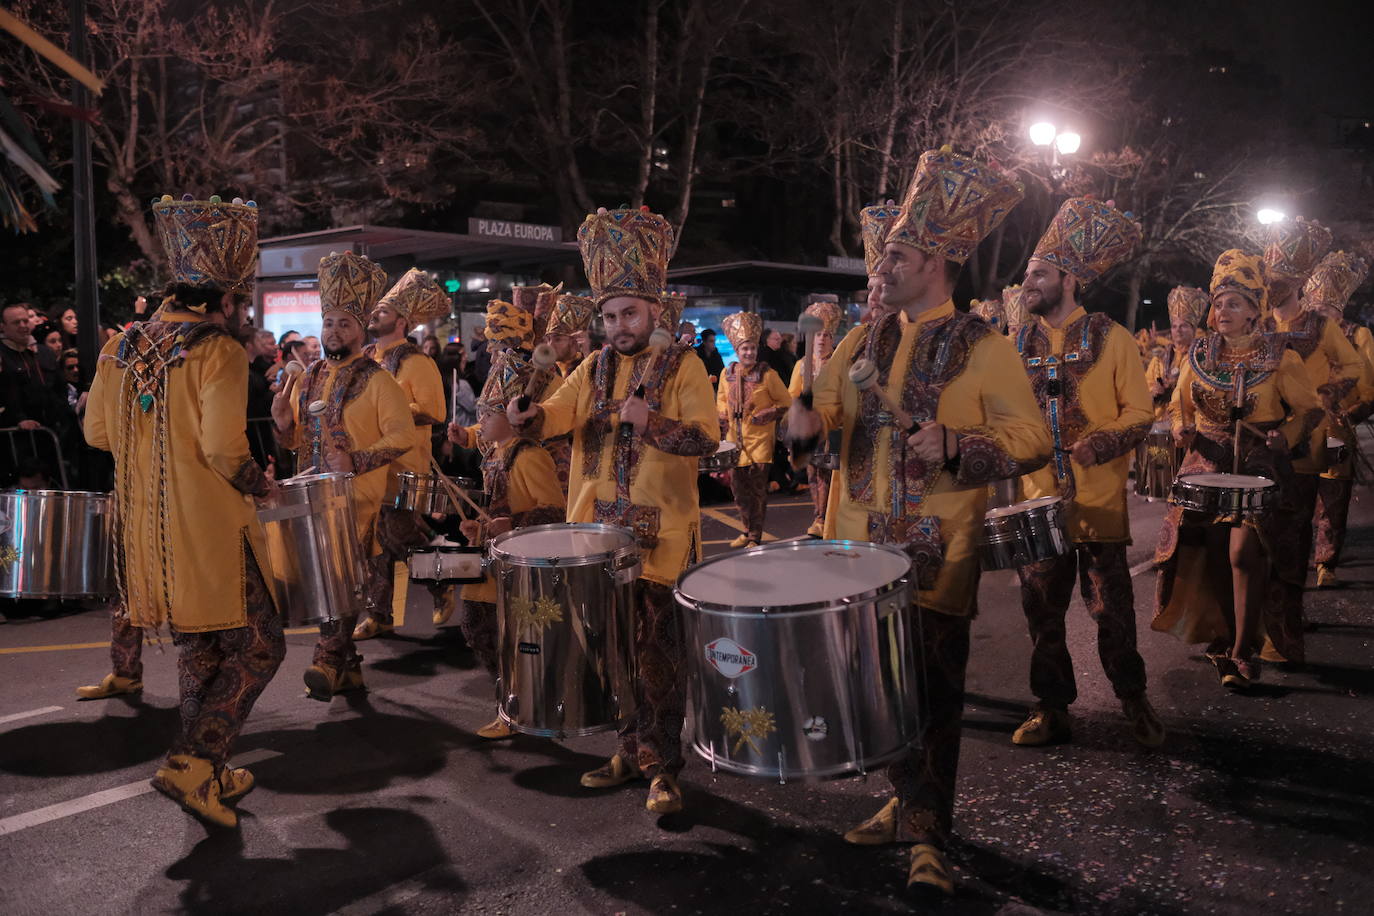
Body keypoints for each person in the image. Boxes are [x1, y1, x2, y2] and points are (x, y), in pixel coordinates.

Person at [789, 151, 1049, 897]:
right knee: (877, 692)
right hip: (857, 553)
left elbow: (1031, 440)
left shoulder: (984, 345)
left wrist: (958, 444)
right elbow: (819, 428)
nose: (881, 268)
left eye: (895, 255)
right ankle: (905, 803)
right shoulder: (861, 341)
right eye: (881, 257)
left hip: (936, 557)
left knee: (931, 697)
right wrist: (804, 405)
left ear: (936, 261)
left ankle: (930, 834)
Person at [79, 192, 284, 828]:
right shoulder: (216, 350)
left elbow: (96, 434)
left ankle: (213, 772)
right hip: (212, 533)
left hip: (151, 535)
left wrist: (150, 444)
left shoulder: (121, 346)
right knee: (259, 646)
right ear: (223, 297)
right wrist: (262, 482)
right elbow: (225, 450)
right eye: (240, 302)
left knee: (201, 652)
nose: (241, 314)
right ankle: (193, 763)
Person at [507, 206, 719, 816]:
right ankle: (631, 750)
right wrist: (530, 417)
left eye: (629, 313)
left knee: (659, 660)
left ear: (654, 311)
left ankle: (664, 769)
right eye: (608, 315)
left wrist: (651, 421)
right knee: (613, 653)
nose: (618, 324)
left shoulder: (684, 365)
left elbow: (706, 439)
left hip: (663, 542)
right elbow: (559, 412)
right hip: (597, 540)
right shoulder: (594, 367)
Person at [1009, 197, 1163, 749]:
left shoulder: (1111, 336)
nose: (1028, 284)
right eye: (1027, 274)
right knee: (1041, 615)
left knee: (1112, 613)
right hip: (1038, 507)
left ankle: (1133, 700)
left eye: (1039, 274)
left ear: (1069, 280)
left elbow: (1141, 414)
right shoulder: (1015, 345)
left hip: (1097, 503)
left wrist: (1101, 441)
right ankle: (1051, 708)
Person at [1153, 250, 1323, 688]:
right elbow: (1179, 405)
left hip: (1258, 464)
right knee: (1210, 554)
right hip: (1206, 462)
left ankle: (1244, 652)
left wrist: (1286, 435)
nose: (1221, 310)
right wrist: (1180, 429)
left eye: (1233, 302)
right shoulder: (1199, 354)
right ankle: (1226, 634)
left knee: (1243, 554)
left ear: (1254, 311)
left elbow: (1308, 410)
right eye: (1218, 302)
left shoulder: (1279, 357)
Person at [271, 251, 413, 700]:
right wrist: (281, 423)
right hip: (310, 494)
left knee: (338, 579)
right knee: (322, 579)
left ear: (360, 329)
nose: (334, 332)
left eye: (344, 324)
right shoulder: (310, 374)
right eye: (329, 323)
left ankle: (328, 662)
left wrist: (357, 461)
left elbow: (402, 435)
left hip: (357, 498)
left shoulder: (379, 380)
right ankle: (348, 666)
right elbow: (297, 439)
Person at [1259, 217, 1361, 663]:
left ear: (1299, 281)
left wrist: (1325, 395)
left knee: (1290, 542)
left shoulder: (1321, 326)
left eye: (1279, 281)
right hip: (1259, 447)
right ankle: (1247, 632)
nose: (1272, 288)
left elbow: (1354, 368)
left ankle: (1283, 635)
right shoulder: (1257, 324)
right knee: (1252, 544)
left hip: (1304, 445)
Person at [448, 351, 565, 738]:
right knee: (479, 629)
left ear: (509, 420)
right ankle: (513, 705)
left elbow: (555, 513)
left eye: (486, 414)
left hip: (521, 570)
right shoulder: (496, 455)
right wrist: (477, 529)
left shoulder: (530, 456)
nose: (479, 422)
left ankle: (520, 709)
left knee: (515, 641)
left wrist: (510, 524)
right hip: (493, 565)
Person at [353, 267, 452, 640]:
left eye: (383, 311)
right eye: (374, 310)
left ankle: (442, 583)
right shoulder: (366, 359)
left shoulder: (416, 362)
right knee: (375, 543)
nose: (374, 314)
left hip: (403, 467)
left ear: (403, 321)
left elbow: (433, 412)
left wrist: (386, 410)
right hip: (369, 466)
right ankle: (380, 614)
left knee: (400, 535)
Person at [1296, 251, 1374, 588]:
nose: (1317, 315)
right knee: (1297, 498)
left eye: (1324, 310)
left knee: (1333, 497)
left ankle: (1326, 562)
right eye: (1314, 309)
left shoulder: (1360, 337)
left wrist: (1349, 411)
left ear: (1338, 310)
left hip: (1337, 429)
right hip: (1301, 430)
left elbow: (1369, 387)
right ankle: (1294, 564)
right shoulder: (1302, 337)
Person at [717, 311, 791, 548]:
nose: (749, 353)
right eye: (744, 349)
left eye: (752, 348)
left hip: (759, 442)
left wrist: (768, 413)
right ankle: (746, 529)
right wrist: (720, 414)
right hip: (734, 442)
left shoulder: (768, 375)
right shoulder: (726, 374)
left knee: (758, 492)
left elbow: (786, 402)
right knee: (739, 491)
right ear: (737, 351)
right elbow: (720, 399)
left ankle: (755, 536)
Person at [788, 297, 842, 536]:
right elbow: (791, 394)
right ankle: (818, 517)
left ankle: (832, 519)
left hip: (834, 428)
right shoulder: (802, 364)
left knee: (832, 476)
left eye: (826, 335)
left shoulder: (840, 364)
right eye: (818, 335)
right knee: (813, 474)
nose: (821, 339)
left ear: (832, 339)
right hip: (810, 428)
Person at [1146, 287, 1209, 420]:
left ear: (1194, 329)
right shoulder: (1158, 360)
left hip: (1190, 424)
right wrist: (1153, 392)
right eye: (1174, 326)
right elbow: (1142, 396)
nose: (1178, 330)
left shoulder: (1201, 358)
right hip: (1160, 426)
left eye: (1184, 326)